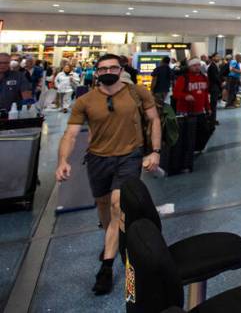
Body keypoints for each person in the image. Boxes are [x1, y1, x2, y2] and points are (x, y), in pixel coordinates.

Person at [55, 54, 161, 296]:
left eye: (113, 67)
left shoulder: (137, 93)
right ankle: (111, 242)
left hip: (129, 157)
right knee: (103, 206)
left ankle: (106, 266)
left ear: (121, 69)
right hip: (98, 159)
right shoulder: (86, 101)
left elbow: (154, 120)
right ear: (97, 72)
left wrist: (155, 151)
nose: (108, 71)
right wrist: (63, 160)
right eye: (103, 69)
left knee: (116, 206)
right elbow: (70, 135)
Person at [206, 53, 222, 127]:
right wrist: (220, 83)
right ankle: (212, 119)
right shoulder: (212, 66)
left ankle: (212, 118)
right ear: (213, 57)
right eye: (217, 56)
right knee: (213, 104)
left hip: (215, 86)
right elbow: (215, 77)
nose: (219, 58)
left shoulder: (214, 65)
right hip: (214, 87)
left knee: (214, 104)